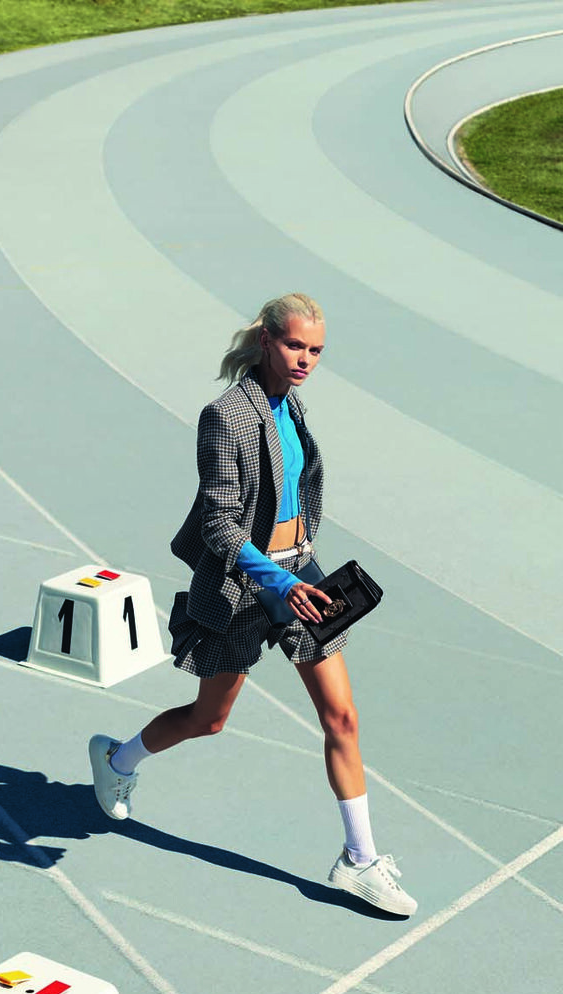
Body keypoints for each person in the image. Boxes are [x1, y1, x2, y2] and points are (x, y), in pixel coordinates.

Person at [89, 293, 416, 917]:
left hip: (302, 576)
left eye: (316, 350)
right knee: (208, 719)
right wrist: (278, 582)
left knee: (342, 718)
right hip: (244, 587)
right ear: (266, 340)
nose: (306, 360)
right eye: (295, 346)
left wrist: (299, 567)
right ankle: (116, 759)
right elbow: (218, 523)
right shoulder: (225, 416)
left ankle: (359, 860)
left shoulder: (292, 404)